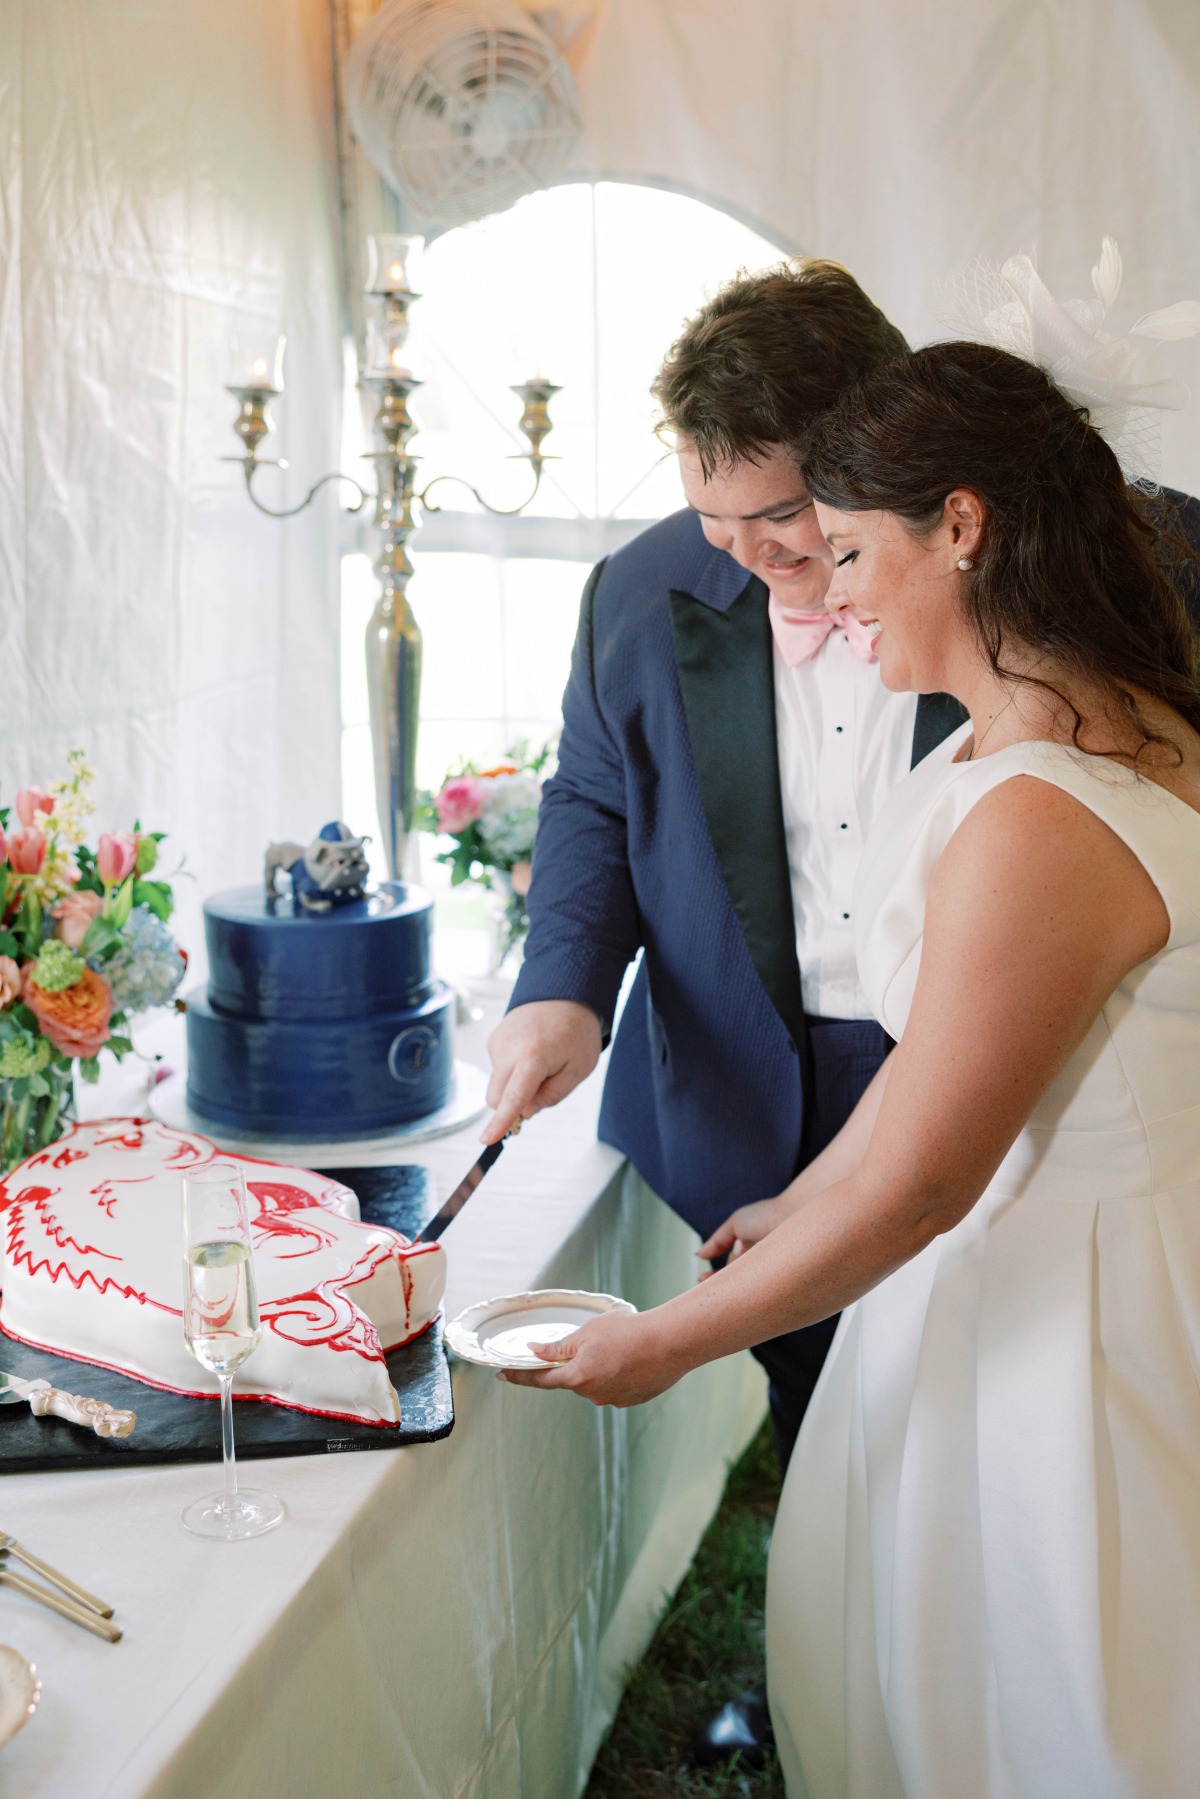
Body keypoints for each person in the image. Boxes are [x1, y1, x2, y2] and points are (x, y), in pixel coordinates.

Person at [501, 336, 1200, 1797]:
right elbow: (948, 1071)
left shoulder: (1040, 811)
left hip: (1060, 1305)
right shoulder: (1062, 723)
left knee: (1051, 1692)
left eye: (852, 546)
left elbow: (933, 1178)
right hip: (1015, 1243)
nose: (825, 582)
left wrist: (663, 1345)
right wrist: (808, 1195)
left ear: (961, 526)